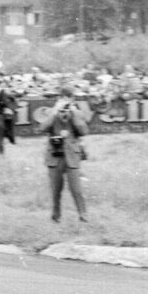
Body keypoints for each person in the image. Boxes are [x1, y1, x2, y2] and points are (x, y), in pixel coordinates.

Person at [39, 86, 88, 222]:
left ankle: (83, 214)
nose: (65, 102)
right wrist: (55, 112)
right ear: (58, 98)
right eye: (62, 98)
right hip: (54, 155)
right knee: (56, 189)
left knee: (76, 188)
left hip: (71, 155)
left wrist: (73, 113)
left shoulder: (76, 113)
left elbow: (84, 131)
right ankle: (56, 216)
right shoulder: (52, 112)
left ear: (72, 100)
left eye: (68, 99)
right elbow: (42, 128)